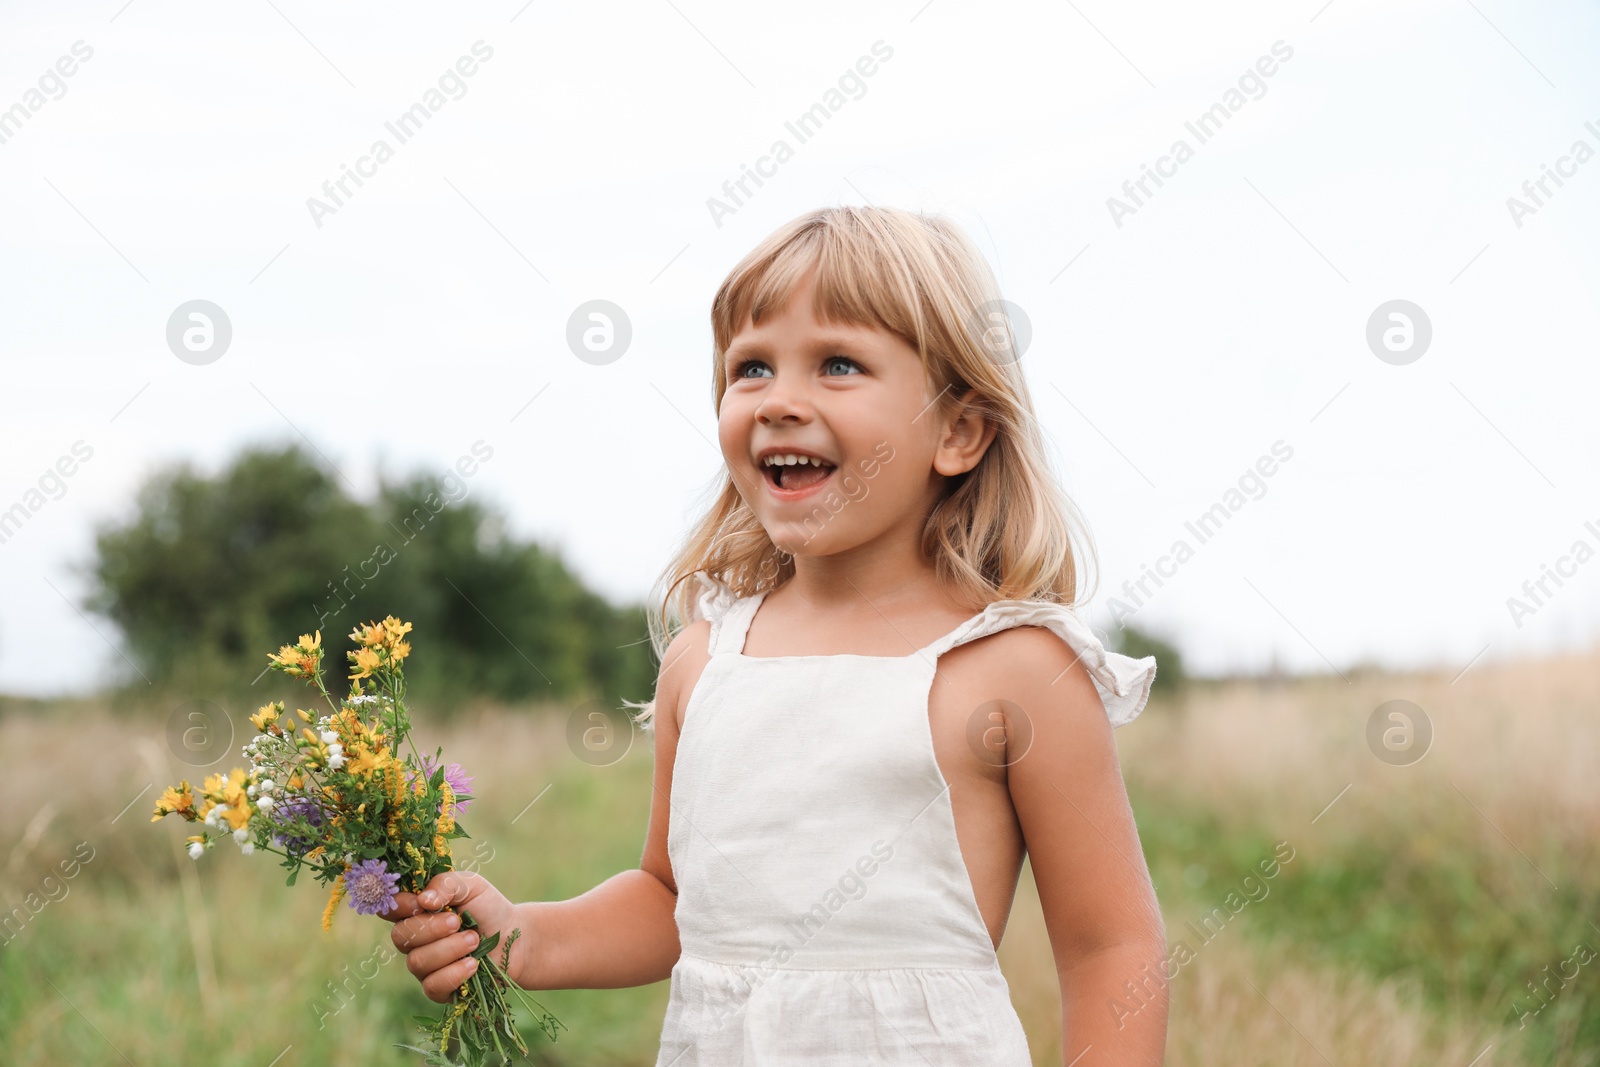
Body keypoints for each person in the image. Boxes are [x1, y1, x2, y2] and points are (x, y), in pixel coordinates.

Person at [381, 205, 1169, 1065]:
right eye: (750, 367)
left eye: (838, 363)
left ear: (958, 430)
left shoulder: (1013, 667)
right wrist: (524, 937)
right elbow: (671, 898)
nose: (780, 401)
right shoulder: (706, 661)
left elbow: (1110, 945)